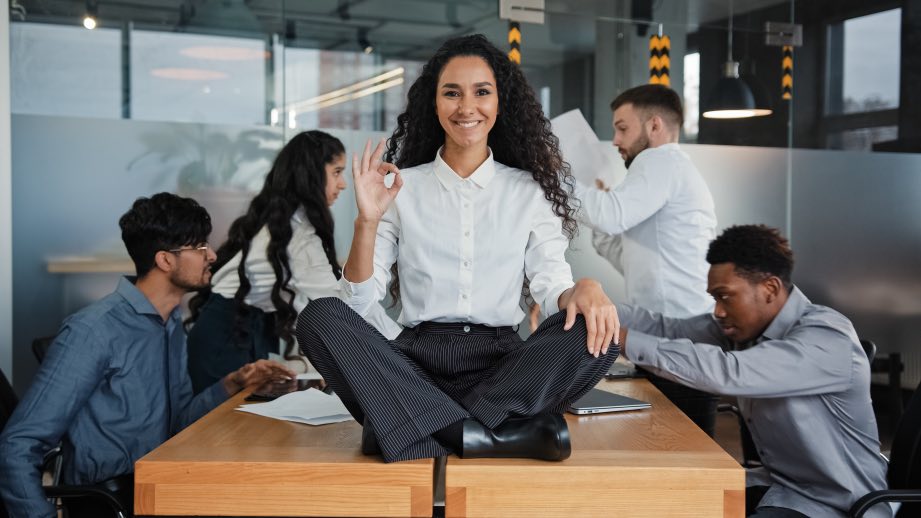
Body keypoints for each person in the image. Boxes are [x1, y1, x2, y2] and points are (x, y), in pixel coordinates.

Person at [296, 34, 620, 464]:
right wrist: (367, 220)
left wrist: (586, 289)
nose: (467, 107)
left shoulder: (529, 191)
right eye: (452, 93)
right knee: (321, 316)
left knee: (599, 330)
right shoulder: (401, 188)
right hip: (415, 366)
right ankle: (490, 436)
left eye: (481, 92)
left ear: (500, 103)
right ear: (434, 104)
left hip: (502, 367)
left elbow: (551, 286)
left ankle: (411, 428)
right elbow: (359, 302)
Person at [0, 193, 295, 518]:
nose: (211, 254)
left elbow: (177, 424)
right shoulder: (94, 330)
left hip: (160, 485)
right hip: (112, 500)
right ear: (165, 260)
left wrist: (234, 383)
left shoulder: (169, 326)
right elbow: (18, 445)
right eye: (199, 247)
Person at [616, 224, 889, 518]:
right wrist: (594, 311)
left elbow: (729, 372)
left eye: (725, 296)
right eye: (714, 298)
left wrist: (619, 338)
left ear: (769, 289)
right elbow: (666, 329)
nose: (718, 311)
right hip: (781, 489)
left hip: (837, 506)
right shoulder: (744, 330)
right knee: (659, 500)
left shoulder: (826, 337)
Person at [573, 83, 719, 435]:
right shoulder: (668, 170)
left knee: (685, 439)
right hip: (672, 327)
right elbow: (627, 256)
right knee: (672, 436)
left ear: (654, 126)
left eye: (622, 128)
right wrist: (604, 212)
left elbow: (611, 215)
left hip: (681, 329)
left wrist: (554, 180)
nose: (616, 140)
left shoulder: (661, 160)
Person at [186, 130, 355, 393]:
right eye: (337, 172)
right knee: (226, 429)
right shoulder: (295, 234)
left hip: (245, 327)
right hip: (225, 336)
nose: (343, 184)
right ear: (310, 173)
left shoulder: (289, 222)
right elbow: (338, 305)